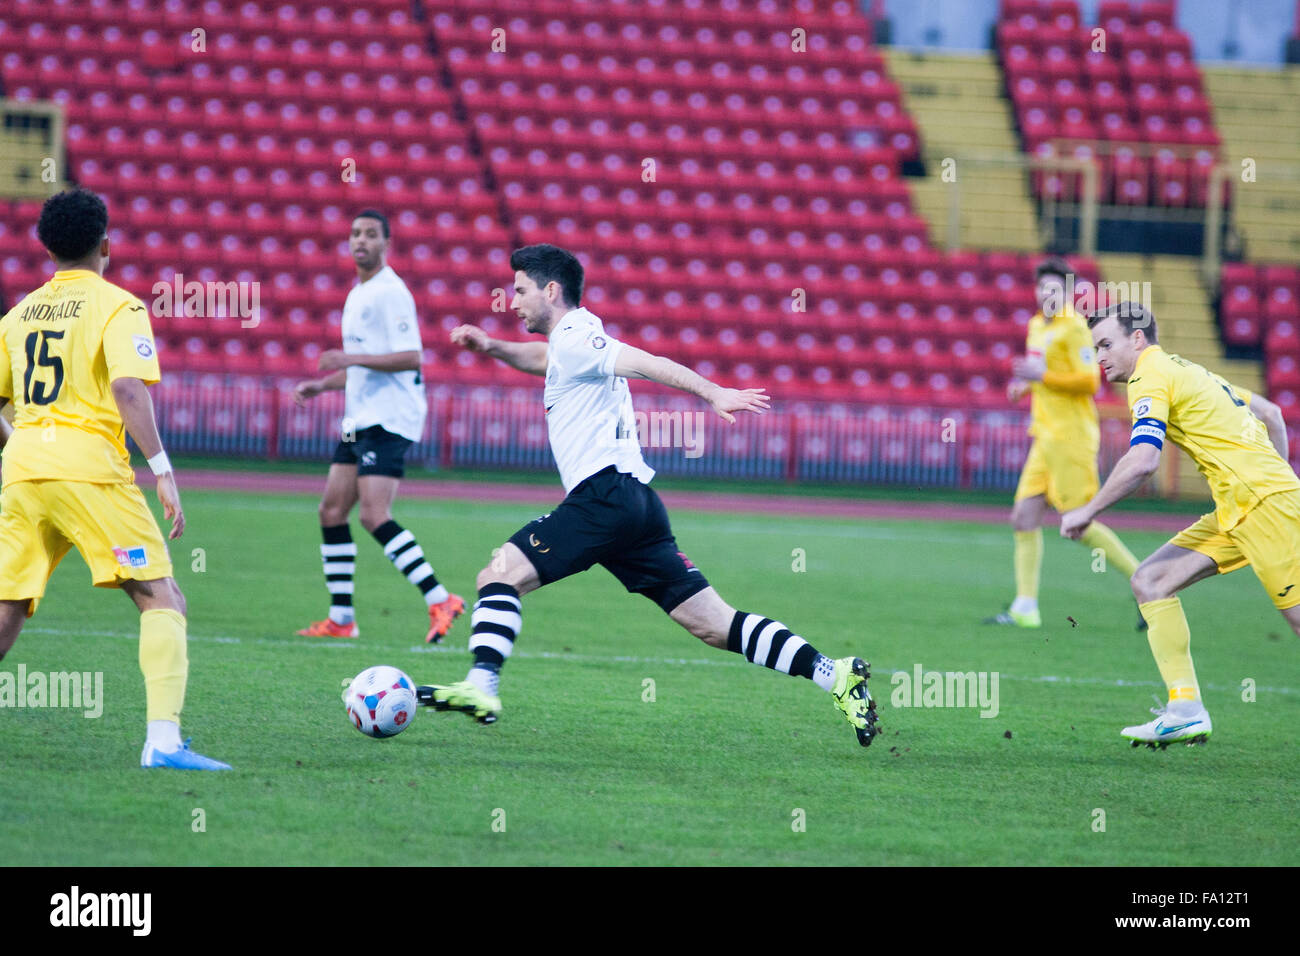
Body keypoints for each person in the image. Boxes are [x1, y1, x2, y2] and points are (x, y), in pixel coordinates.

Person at [413, 244, 878, 747]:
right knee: (715, 625)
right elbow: (543, 358)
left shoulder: (576, 335)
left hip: (602, 497)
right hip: (636, 506)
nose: (512, 300)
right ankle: (835, 674)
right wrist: (493, 347)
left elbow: (646, 362)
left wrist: (713, 392)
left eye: (521, 290)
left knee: (499, 574)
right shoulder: (568, 343)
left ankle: (482, 686)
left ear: (551, 290)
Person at [0, 188, 229, 769]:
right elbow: (128, 388)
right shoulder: (119, 306)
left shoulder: (19, 314)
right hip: (91, 476)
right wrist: (163, 470)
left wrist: (23, 448)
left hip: (24, 472)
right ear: (105, 243)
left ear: (47, 247)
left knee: (6, 609)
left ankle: (166, 741)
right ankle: (163, 742)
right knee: (161, 596)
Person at [1062, 302, 1299, 746]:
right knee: (1150, 580)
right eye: (1095, 348)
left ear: (1138, 338)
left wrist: (1087, 510)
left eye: (1107, 344)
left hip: (1264, 508)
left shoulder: (1148, 375)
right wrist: (1282, 480)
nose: (1100, 357)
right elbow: (1272, 414)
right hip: (1242, 509)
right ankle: (1185, 709)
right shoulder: (1189, 370)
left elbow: (1143, 461)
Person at [292, 210, 462, 643]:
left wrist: (347, 359)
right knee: (331, 511)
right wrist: (322, 386)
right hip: (358, 416)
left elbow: (411, 357)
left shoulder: (392, 293)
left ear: (387, 243)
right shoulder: (357, 294)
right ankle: (342, 619)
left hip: (390, 416)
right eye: (354, 233)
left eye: (370, 234)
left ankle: (440, 598)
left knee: (372, 514)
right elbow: (362, 367)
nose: (360, 240)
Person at [986, 257, 1143, 629]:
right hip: (1044, 437)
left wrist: (1044, 375)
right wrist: (1026, 384)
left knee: (1078, 524)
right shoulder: (1036, 325)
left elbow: (1090, 381)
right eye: (1042, 287)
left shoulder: (1075, 328)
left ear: (1069, 293)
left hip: (1071, 438)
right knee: (1023, 518)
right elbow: (1046, 373)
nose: (1047, 294)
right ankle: (1026, 607)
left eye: (1055, 288)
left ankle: (1148, 582)